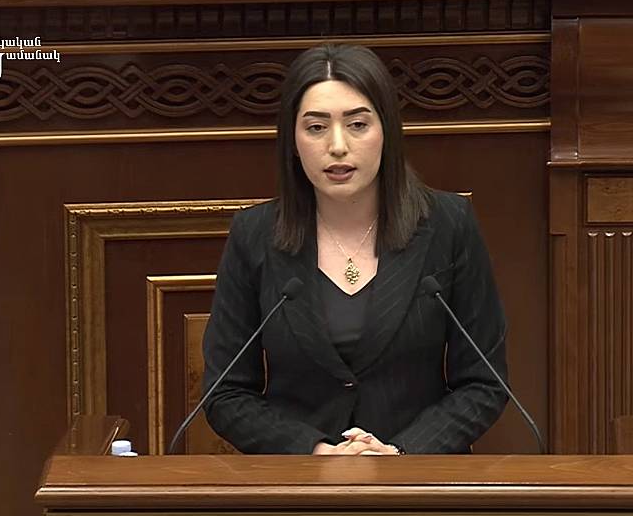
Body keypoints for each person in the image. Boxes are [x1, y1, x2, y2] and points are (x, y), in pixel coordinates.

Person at [202, 43, 508, 455]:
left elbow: (485, 382)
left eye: (358, 124)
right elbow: (226, 393)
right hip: (299, 479)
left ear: (387, 131)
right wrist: (314, 451)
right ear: (292, 141)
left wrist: (402, 452)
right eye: (316, 127)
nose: (337, 146)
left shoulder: (448, 225)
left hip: (418, 477)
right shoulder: (254, 235)